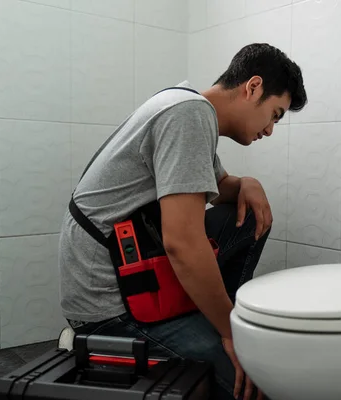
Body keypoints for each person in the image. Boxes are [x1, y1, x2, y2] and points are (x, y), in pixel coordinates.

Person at [58, 42, 307, 399]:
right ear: (252, 88)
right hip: (108, 300)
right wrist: (233, 333)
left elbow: (217, 186)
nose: (270, 129)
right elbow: (182, 242)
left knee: (249, 216)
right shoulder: (188, 115)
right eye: (275, 114)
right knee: (254, 379)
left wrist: (246, 183)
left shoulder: (186, 103)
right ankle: (107, 341)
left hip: (130, 263)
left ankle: (215, 314)